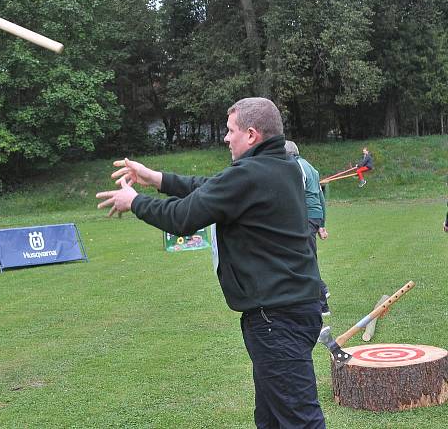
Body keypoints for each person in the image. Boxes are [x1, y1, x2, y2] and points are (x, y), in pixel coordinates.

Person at [96, 97, 325, 428]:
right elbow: (209, 188)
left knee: (299, 420)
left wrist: (135, 201)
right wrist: (157, 178)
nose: (225, 138)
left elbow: (182, 217)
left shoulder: (252, 173)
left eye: (230, 131)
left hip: (278, 318)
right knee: (273, 418)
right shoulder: (281, 166)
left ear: (251, 134)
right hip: (290, 311)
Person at [285, 140, 331, 316]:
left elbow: (296, 196)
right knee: (304, 256)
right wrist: (322, 224)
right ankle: (321, 289)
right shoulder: (310, 167)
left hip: (305, 217)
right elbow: (321, 198)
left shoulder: (295, 167)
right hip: (314, 216)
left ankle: (322, 300)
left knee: (305, 259)